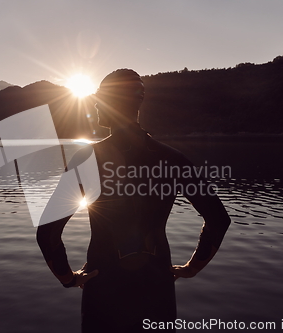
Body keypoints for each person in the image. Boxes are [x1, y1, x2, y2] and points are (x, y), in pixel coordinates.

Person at [37, 69, 231, 332]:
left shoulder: (87, 159)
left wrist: (68, 278)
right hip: (157, 285)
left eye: (98, 99)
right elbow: (218, 219)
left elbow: (48, 231)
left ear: (110, 103)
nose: (93, 106)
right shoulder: (172, 159)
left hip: (104, 286)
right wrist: (192, 268)